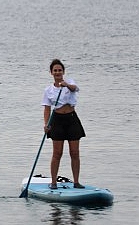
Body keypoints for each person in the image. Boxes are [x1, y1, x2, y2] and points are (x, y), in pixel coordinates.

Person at [42, 59, 85, 190]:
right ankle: (54, 182)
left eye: (60, 70)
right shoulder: (48, 90)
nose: (57, 72)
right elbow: (47, 108)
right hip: (57, 120)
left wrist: (65, 85)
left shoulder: (70, 82)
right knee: (57, 153)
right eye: (55, 70)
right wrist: (46, 124)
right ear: (51, 73)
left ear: (63, 71)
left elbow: (74, 88)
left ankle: (76, 182)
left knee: (74, 152)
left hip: (71, 119)